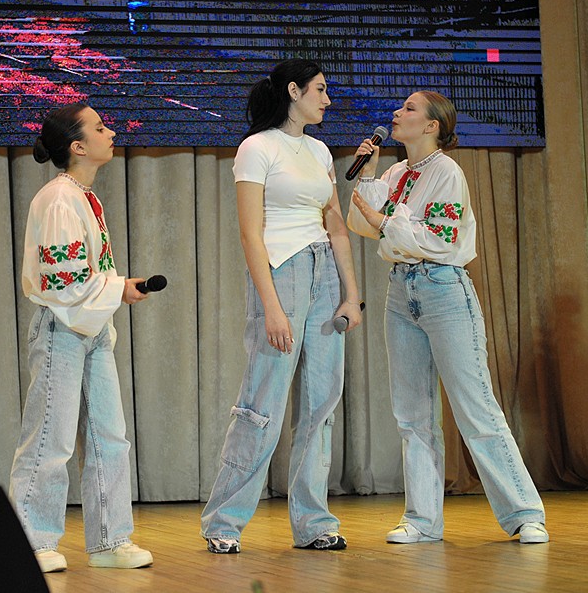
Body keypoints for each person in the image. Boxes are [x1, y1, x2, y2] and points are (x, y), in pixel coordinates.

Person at [346, 90, 548, 544]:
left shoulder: (447, 172)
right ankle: (421, 520)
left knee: (475, 407)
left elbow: (439, 237)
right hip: (401, 290)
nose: (396, 113)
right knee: (412, 414)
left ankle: (524, 513)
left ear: (432, 125)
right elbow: (362, 223)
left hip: (443, 289)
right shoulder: (396, 172)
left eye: (409, 108)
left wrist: (385, 221)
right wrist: (370, 176)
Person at [201, 59, 363, 554]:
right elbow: (250, 233)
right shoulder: (257, 147)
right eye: (320, 89)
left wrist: (351, 293)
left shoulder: (319, 150)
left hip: (323, 272)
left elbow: (335, 223)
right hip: (282, 271)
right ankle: (224, 522)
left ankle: (314, 523)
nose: (327, 100)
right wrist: (271, 306)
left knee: (322, 404)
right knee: (263, 401)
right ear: (293, 91)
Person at [8, 102, 154, 573]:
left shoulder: (84, 198)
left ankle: (110, 539)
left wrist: (116, 289)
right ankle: (32, 540)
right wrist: (118, 288)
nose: (110, 132)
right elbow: (62, 281)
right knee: (50, 438)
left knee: (109, 436)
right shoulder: (58, 199)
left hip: (91, 328)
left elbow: (85, 275)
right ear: (77, 146)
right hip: (62, 328)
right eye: (100, 127)